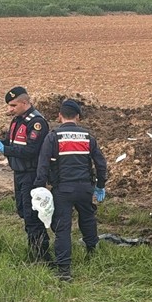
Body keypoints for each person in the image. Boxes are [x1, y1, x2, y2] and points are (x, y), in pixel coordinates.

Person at [33, 98, 108, 281]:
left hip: (63, 190)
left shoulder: (53, 137)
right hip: (85, 189)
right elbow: (101, 164)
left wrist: (38, 188)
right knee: (88, 219)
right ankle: (92, 253)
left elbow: (42, 166)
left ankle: (64, 271)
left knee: (63, 228)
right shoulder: (88, 137)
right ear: (78, 117)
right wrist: (100, 185)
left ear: (59, 117)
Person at [0, 86, 51, 262]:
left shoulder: (36, 122)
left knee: (32, 217)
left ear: (25, 102)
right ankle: (34, 251)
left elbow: (31, 151)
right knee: (23, 212)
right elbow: (13, 142)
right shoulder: (17, 120)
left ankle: (42, 257)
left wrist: (4, 149)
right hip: (18, 173)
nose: (9, 109)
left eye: (13, 105)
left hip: (31, 175)